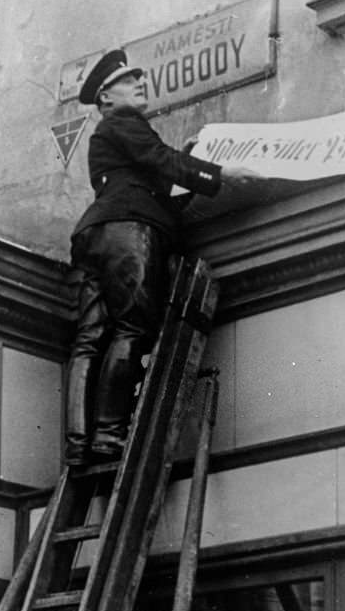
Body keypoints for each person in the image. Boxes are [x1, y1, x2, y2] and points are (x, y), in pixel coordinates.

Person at [65, 48, 258, 466]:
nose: (139, 81)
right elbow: (161, 160)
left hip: (94, 234)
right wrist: (218, 174)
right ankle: (109, 435)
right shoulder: (124, 121)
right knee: (132, 328)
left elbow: (159, 193)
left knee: (90, 337)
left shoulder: (113, 138)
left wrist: (186, 167)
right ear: (106, 100)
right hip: (128, 232)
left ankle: (80, 442)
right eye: (127, 80)